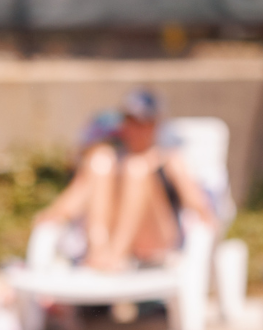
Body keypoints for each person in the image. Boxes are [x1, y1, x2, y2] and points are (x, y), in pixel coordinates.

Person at [32, 89, 214, 273]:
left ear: (155, 124)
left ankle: (115, 257)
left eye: (142, 123)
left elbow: (200, 207)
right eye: (129, 121)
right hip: (112, 240)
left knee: (136, 169)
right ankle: (99, 253)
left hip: (156, 242)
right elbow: (74, 199)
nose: (134, 129)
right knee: (100, 161)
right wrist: (52, 215)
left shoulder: (169, 159)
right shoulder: (112, 160)